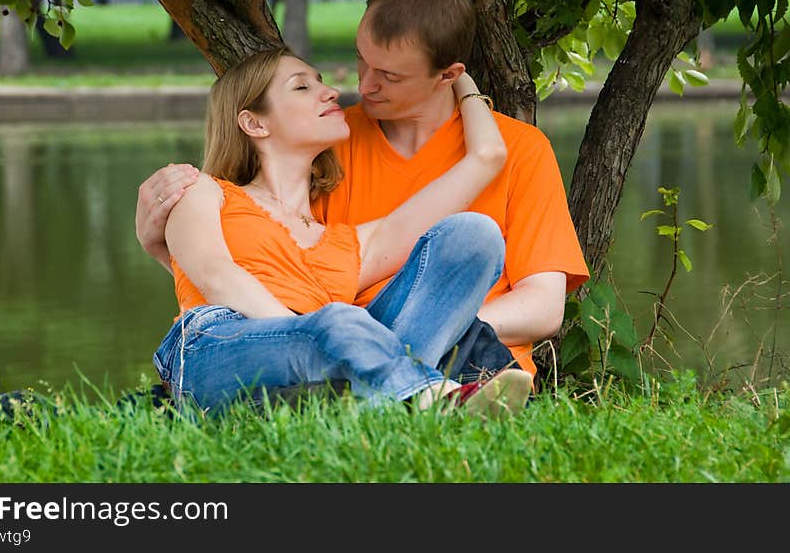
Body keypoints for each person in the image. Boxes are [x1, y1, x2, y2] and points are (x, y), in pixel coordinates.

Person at [137, 0, 589, 384]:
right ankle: (410, 390)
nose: (363, 85)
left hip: (429, 349)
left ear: (447, 75)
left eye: (389, 75)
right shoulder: (325, 148)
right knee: (337, 327)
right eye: (361, 61)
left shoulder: (521, 151)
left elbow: (544, 307)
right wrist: (168, 250)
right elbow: (246, 270)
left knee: (472, 235)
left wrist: (418, 328)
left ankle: (393, 382)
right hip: (320, 343)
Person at [154, 47, 534, 416]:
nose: (331, 91)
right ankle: (432, 395)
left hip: (327, 364)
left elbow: (487, 158)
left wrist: (458, 77)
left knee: (473, 235)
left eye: (321, 82)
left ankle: (382, 402)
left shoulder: (350, 243)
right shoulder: (204, 190)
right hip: (215, 351)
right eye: (302, 87)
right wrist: (309, 328)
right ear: (254, 123)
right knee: (341, 319)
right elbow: (215, 275)